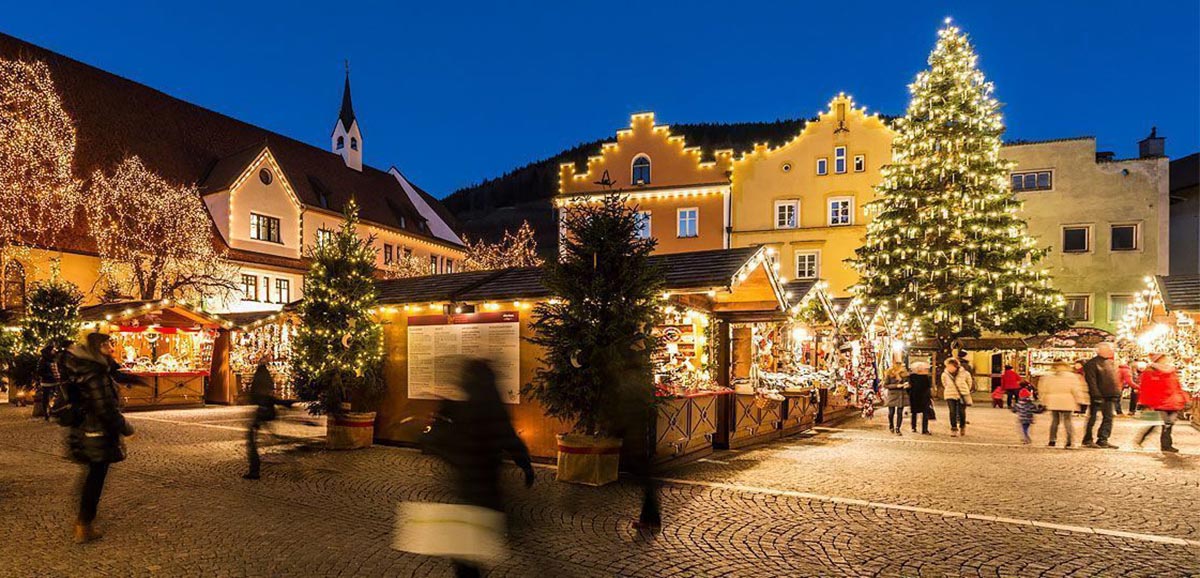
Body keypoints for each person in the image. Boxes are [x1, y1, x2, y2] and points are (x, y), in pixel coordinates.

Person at [423, 358, 535, 577]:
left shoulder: (463, 405)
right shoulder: (492, 406)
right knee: (470, 544)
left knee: (465, 548)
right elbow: (509, 437)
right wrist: (525, 464)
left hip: (468, 484)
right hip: (487, 483)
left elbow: (437, 436)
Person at [61, 333, 142, 543]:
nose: (111, 348)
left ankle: (84, 521)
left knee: (92, 476)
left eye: (110, 343)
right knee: (95, 478)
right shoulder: (94, 373)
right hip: (96, 432)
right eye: (106, 344)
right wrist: (126, 428)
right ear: (96, 347)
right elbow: (104, 407)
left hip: (86, 430)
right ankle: (84, 525)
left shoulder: (91, 368)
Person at [1134, 353, 1189, 453]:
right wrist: (1145, 403)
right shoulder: (1151, 371)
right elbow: (1147, 387)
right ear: (1159, 359)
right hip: (1160, 401)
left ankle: (1164, 445)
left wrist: (1183, 398)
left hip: (1172, 401)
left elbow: (1177, 386)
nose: (1166, 359)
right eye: (1164, 358)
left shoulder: (1171, 370)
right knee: (1163, 423)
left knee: (1165, 424)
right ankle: (1164, 445)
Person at [244, 354, 280, 480]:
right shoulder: (265, 376)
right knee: (254, 436)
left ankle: (254, 469)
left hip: (263, 411)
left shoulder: (260, 375)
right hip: (265, 410)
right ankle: (254, 468)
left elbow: (257, 392)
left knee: (251, 439)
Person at [1038, 361, 1089, 448]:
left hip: (1053, 401)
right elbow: (1076, 390)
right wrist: (1081, 400)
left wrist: (1043, 401)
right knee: (1067, 420)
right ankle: (1069, 441)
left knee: (1055, 421)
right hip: (1067, 401)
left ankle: (1052, 440)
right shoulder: (1072, 376)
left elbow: (1043, 390)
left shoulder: (1048, 377)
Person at [1081, 343, 1121, 449]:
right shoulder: (1092, 364)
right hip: (1098, 395)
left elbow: (1113, 379)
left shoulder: (1110, 363)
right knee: (1093, 418)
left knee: (1108, 417)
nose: (1111, 351)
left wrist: (1117, 392)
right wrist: (1096, 394)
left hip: (1109, 395)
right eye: (1109, 349)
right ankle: (1087, 439)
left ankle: (1103, 439)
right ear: (1100, 350)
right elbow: (1091, 381)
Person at [941, 358, 973, 437]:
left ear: (955, 366)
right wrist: (949, 389)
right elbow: (944, 383)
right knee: (952, 411)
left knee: (961, 412)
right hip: (950, 394)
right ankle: (953, 428)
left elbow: (969, 383)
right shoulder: (945, 374)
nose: (949, 368)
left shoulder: (965, 373)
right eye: (947, 366)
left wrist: (965, 390)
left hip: (962, 394)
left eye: (950, 366)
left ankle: (962, 426)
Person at [36, 341, 66, 421]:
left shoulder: (53, 359)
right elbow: (40, 371)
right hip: (47, 382)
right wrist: (50, 376)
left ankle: (55, 412)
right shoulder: (43, 360)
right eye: (53, 350)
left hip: (55, 381)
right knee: (46, 398)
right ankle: (46, 413)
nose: (54, 351)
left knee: (56, 397)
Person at [881, 366, 909, 435]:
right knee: (891, 413)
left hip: (901, 395)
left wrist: (907, 385)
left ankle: (898, 428)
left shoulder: (904, 374)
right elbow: (885, 385)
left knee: (900, 413)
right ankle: (891, 425)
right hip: (893, 395)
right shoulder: (889, 374)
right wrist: (896, 386)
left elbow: (909, 383)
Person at [907, 362, 933, 435]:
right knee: (917, 413)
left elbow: (909, 387)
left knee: (919, 413)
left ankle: (919, 428)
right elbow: (928, 387)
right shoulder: (923, 377)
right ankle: (918, 428)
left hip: (918, 396)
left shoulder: (913, 377)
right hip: (919, 396)